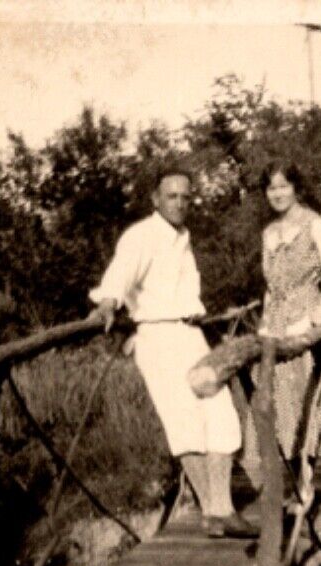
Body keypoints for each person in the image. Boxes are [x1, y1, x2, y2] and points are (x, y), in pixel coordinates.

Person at [90, 167, 249, 538]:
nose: (179, 203)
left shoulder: (182, 238)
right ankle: (214, 510)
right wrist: (108, 304)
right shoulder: (141, 236)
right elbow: (119, 276)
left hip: (191, 335)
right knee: (185, 425)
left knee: (221, 415)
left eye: (185, 196)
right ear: (155, 199)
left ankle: (221, 509)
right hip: (159, 339)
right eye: (171, 196)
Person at [257, 162, 321, 469]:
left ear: (295, 188)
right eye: (271, 188)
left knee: (313, 386)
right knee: (278, 394)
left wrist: (318, 314)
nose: (277, 193)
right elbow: (271, 286)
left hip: (305, 315)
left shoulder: (314, 223)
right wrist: (264, 320)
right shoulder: (269, 233)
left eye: (283, 186)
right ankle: (291, 466)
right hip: (275, 321)